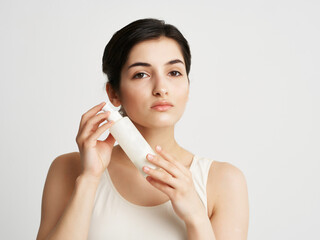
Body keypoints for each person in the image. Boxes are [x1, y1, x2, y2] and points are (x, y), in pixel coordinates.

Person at [36, 18, 249, 240]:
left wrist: (196, 216)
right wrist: (89, 178)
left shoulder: (224, 181)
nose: (161, 88)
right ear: (113, 93)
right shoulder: (68, 168)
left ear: (188, 84)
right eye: (141, 74)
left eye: (174, 72)